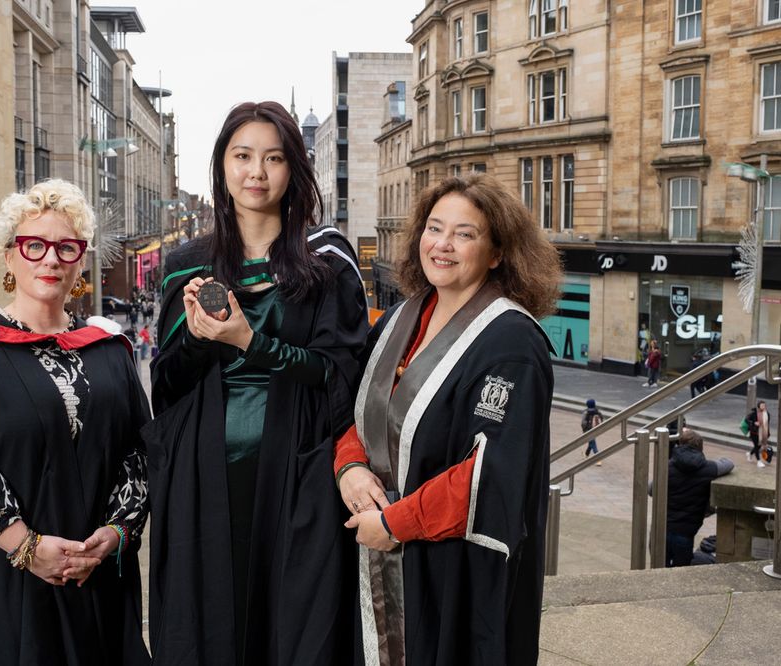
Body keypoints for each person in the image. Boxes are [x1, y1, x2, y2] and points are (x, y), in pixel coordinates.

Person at [144, 101, 369, 665]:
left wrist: (252, 343)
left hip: (297, 471)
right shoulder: (186, 264)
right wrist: (198, 338)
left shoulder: (327, 261)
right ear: (222, 165)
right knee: (210, 626)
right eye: (242, 156)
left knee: (295, 626)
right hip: (204, 477)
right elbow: (166, 387)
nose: (257, 173)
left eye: (273, 158)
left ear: (295, 168)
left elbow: (340, 375)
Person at [0, 179, 151, 665]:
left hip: (97, 576)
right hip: (9, 580)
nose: (51, 259)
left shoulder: (109, 351)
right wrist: (27, 546)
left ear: (80, 261)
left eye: (67, 247)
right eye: (35, 245)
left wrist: (117, 532)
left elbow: (141, 451)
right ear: (10, 257)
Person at [337, 173, 561, 664]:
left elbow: (488, 474)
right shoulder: (402, 317)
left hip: (453, 568)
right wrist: (350, 466)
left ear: (497, 252)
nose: (443, 245)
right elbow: (361, 413)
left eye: (465, 234)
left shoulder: (511, 342)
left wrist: (394, 523)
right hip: (382, 551)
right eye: (435, 228)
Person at [660, 429, 733, 567]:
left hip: (662, 528)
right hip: (685, 532)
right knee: (681, 574)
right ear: (700, 447)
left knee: (658, 570)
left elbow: (652, 489)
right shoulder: (708, 468)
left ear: (680, 444)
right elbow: (728, 463)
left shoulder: (668, 466)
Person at [746, 400, 772, 467]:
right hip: (754, 433)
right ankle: (758, 461)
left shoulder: (767, 414)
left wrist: (767, 433)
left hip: (763, 433)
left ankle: (750, 454)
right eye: (762, 405)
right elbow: (747, 419)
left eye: (764, 405)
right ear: (758, 406)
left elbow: (767, 424)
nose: (763, 406)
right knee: (757, 446)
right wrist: (754, 423)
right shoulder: (754, 413)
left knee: (758, 446)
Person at [582, 398, 603, 464]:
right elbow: (601, 419)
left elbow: (583, 423)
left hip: (588, 430)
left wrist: (584, 430)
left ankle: (598, 458)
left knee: (593, 443)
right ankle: (586, 454)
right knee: (591, 442)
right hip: (596, 429)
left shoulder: (586, 412)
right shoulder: (598, 411)